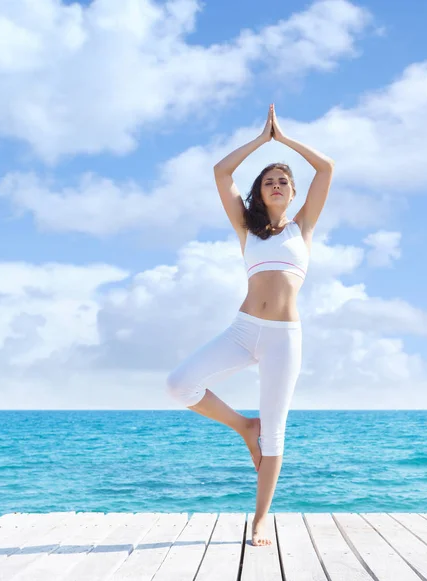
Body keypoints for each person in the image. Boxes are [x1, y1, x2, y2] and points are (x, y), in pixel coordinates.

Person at [165, 103, 334, 546]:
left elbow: (326, 168)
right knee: (179, 384)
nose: (276, 185)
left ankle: (260, 520)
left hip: (284, 339)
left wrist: (286, 140)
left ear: (293, 194)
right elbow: (221, 174)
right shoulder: (248, 230)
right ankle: (244, 427)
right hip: (243, 330)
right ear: (259, 193)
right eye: (268, 181)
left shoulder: (303, 228)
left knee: (276, 432)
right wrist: (262, 141)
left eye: (283, 181)